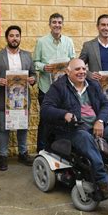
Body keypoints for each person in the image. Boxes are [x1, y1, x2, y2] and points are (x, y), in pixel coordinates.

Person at [41, 58, 108, 196]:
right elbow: (45, 109)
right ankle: (102, 182)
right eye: (77, 69)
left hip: (95, 126)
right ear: (68, 71)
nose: (82, 72)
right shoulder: (58, 87)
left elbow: (106, 105)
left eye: (84, 69)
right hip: (72, 129)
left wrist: (100, 120)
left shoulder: (92, 84)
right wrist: (64, 114)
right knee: (85, 137)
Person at [0, 25, 37, 171]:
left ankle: (23, 153)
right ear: (6, 38)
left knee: (22, 127)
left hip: (21, 99)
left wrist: (32, 79)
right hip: (4, 99)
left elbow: (34, 74)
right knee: (4, 129)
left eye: (17, 35)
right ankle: (2, 156)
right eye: (11, 35)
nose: (14, 38)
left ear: (20, 38)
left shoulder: (27, 55)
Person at [33, 13, 75, 151]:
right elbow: (34, 63)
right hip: (46, 89)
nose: (57, 25)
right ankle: (41, 151)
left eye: (59, 22)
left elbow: (73, 61)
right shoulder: (41, 42)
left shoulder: (69, 42)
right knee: (45, 121)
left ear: (63, 24)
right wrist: (43, 67)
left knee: (62, 121)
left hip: (64, 89)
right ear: (49, 24)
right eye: (54, 22)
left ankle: (58, 151)